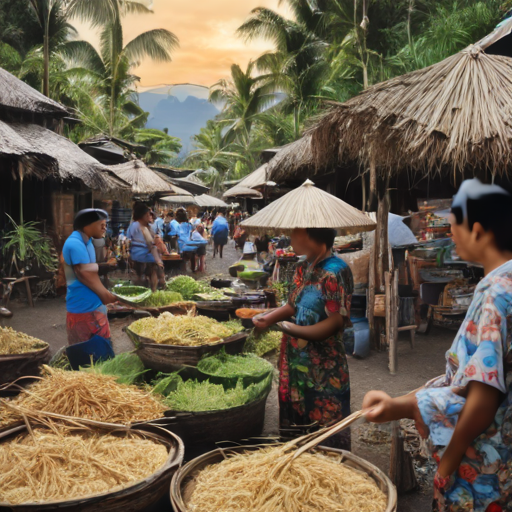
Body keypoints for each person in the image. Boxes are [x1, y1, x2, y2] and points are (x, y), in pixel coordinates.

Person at [363, 179, 512, 512]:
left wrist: (448, 463)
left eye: (453, 225)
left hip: (482, 467)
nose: (451, 234)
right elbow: (462, 379)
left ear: (477, 230)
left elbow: (482, 398)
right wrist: (395, 405)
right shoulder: (505, 282)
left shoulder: (496, 294)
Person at [253, 228, 354, 449]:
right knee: (295, 427)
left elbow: (336, 321)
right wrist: (267, 319)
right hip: (295, 360)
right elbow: (292, 305)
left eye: (295, 232)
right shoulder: (302, 267)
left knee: (323, 432)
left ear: (310, 234)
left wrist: (293, 329)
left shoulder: (335, 272)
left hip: (323, 367)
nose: (290, 238)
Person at [62, 209, 117, 345]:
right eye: (101, 224)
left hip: (93, 307)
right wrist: (106, 296)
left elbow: (90, 269)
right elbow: (84, 272)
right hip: (84, 310)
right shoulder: (75, 243)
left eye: (106, 224)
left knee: (101, 356)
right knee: (89, 359)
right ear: (87, 225)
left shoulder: (87, 241)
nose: (105, 228)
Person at [127, 202, 165, 292]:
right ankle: (153, 290)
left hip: (146, 253)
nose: (149, 216)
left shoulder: (147, 227)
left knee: (155, 263)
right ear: (142, 215)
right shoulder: (137, 225)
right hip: (139, 254)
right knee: (154, 265)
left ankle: (153, 289)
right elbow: (149, 243)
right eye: (147, 215)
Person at [176, 208, 197, 272]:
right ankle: (193, 271)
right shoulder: (190, 225)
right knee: (192, 258)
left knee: (183, 261)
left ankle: (184, 273)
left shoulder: (178, 226)